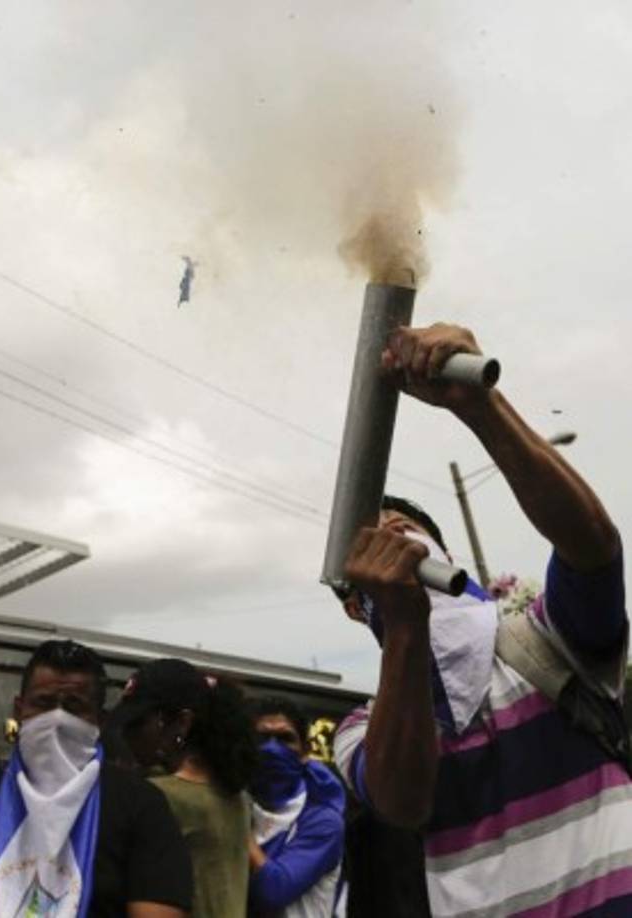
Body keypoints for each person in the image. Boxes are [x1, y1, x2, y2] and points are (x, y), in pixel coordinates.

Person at [333, 321, 630, 917]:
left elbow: (594, 549)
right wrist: (406, 628)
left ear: (446, 555)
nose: (397, 546)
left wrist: (482, 408)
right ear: (354, 604)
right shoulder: (361, 730)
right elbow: (404, 801)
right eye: (374, 553)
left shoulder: (545, 642)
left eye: (405, 532)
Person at [0, 639, 192, 918]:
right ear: (19, 710)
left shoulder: (141, 806)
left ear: (100, 720)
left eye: (73, 707)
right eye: (44, 703)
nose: (57, 718)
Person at [109, 658, 257, 918]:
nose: (127, 735)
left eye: (137, 723)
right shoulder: (236, 795)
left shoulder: (156, 796)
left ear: (182, 723)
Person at [248, 696, 346, 918]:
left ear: (305, 751)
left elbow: (274, 890)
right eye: (262, 738)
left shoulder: (323, 820)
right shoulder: (237, 801)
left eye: (285, 739)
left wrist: (234, 827)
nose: (272, 749)